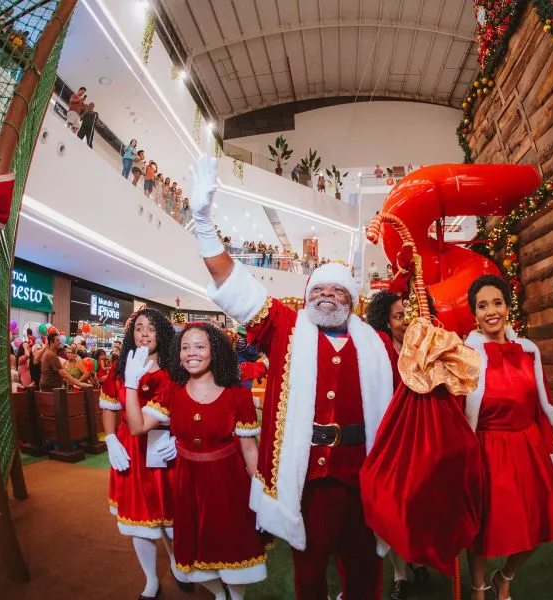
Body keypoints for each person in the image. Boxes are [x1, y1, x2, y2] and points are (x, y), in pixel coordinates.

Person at [188, 155, 397, 600]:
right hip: (308, 478)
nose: (325, 296)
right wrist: (203, 224)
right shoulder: (285, 327)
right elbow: (236, 286)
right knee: (308, 572)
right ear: (306, 297)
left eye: (336, 290)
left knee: (364, 571)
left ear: (352, 300)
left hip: (363, 475)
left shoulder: (377, 345)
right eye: (317, 289)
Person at [123, 323, 267, 600]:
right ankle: (218, 595)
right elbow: (138, 427)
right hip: (188, 483)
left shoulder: (238, 394)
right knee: (195, 549)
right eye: (185, 347)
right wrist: (131, 385)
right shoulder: (172, 391)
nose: (191, 353)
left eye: (200, 346)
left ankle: (235, 598)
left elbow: (249, 449)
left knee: (234, 546)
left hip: (229, 483)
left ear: (215, 351)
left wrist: (260, 492)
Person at [464, 275, 553, 600]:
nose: (491, 311)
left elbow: (543, 405)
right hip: (486, 451)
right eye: (482, 306)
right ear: (474, 314)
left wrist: (550, 449)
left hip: (529, 447)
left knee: (538, 527)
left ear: (508, 306)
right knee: (482, 531)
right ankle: (478, 589)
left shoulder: (529, 350)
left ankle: (504, 577)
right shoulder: (465, 355)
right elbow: (454, 412)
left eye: (497, 302)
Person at [99, 307, 181, 599]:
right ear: (131, 334)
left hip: (163, 449)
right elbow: (109, 406)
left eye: (152, 328)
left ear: (163, 333)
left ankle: (176, 563)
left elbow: (149, 423)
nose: (145, 333)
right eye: (139, 328)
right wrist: (110, 438)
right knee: (139, 522)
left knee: (171, 520)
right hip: (130, 453)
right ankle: (150, 579)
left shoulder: (175, 370)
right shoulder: (119, 370)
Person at [364, 291, 421, 599]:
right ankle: (400, 572)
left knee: (419, 506)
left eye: (408, 315)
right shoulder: (377, 350)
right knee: (391, 507)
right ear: (385, 320)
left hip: (420, 440)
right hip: (388, 441)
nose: (406, 322)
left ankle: (417, 557)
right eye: (399, 316)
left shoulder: (424, 347)